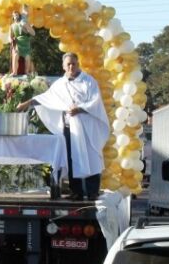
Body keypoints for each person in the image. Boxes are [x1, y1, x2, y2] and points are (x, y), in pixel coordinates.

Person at [17, 52, 109, 200]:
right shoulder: (60, 84)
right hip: (69, 128)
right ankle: (76, 191)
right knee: (72, 159)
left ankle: (92, 192)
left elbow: (95, 102)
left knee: (91, 156)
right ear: (63, 66)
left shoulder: (88, 81)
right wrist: (27, 103)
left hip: (86, 127)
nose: (71, 66)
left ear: (78, 64)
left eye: (74, 63)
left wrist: (79, 108)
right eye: (68, 64)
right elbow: (46, 99)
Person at [10, 10, 35, 76]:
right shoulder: (12, 26)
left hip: (26, 42)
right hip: (18, 43)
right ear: (13, 16)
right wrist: (12, 40)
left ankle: (27, 72)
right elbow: (11, 36)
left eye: (17, 15)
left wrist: (26, 27)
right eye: (15, 15)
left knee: (27, 57)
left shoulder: (24, 23)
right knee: (15, 56)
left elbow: (32, 33)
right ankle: (14, 72)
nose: (16, 16)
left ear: (19, 16)